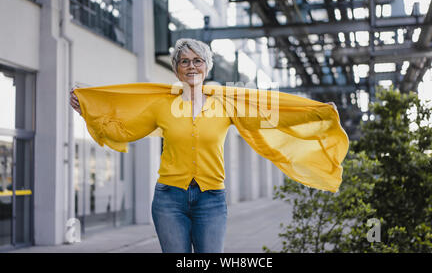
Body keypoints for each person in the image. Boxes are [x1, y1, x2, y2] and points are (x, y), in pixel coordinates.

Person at [70, 38, 346, 253]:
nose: (191, 66)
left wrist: (317, 112)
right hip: (169, 199)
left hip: (211, 199)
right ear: (176, 69)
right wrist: (89, 113)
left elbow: (272, 114)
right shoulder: (161, 105)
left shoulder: (226, 104)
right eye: (184, 61)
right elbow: (124, 132)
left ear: (207, 66)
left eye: (197, 61)